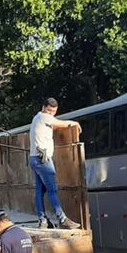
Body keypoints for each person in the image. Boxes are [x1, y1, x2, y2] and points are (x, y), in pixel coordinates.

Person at [29, 97, 82, 229]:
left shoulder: (36, 119)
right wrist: (75, 123)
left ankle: (42, 221)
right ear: (43, 108)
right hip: (44, 159)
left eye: (53, 111)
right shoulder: (43, 117)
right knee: (53, 190)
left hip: (35, 158)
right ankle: (62, 219)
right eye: (49, 110)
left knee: (40, 191)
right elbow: (61, 123)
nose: (51, 113)